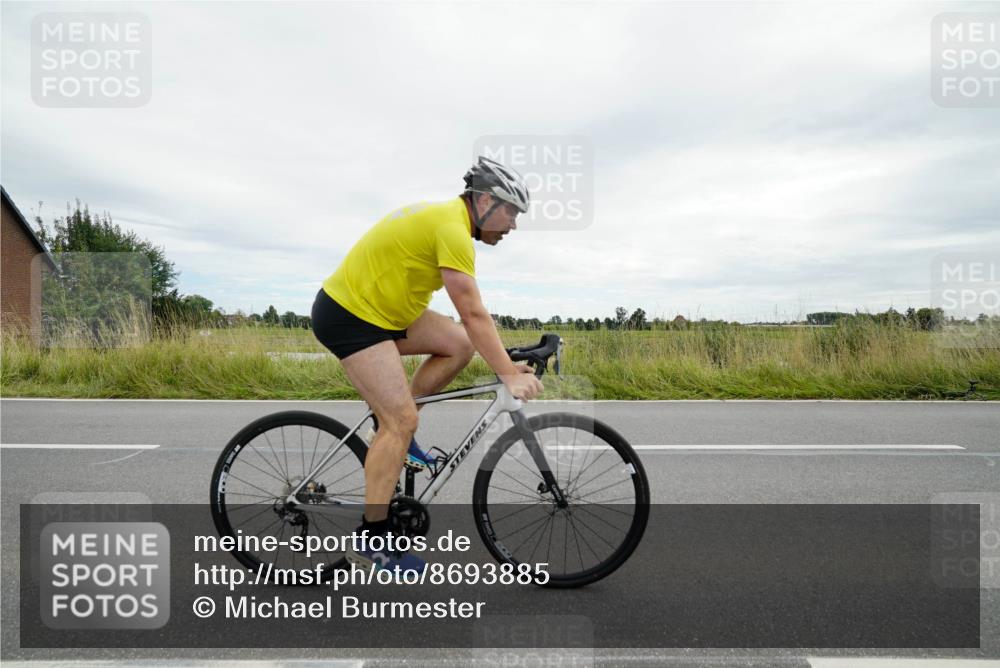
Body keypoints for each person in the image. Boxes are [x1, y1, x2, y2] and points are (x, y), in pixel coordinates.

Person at [311, 156, 544, 575]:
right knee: (400, 421)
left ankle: (392, 432)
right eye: (511, 211)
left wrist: (506, 362)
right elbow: (472, 311)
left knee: (457, 344)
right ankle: (373, 540)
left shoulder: (450, 220)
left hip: (383, 312)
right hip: (351, 316)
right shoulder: (452, 229)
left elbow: (469, 330)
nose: (513, 225)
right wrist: (507, 374)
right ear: (487, 201)